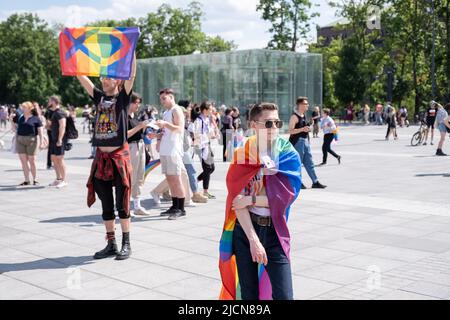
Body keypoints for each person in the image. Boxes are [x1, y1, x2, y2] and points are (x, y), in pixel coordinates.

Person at [219, 102, 302, 300]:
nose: (274, 128)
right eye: (268, 123)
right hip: (245, 230)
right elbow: (236, 202)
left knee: (284, 295)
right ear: (254, 125)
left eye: (277, 123)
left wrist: (251, 198)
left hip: (274, 231)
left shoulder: (287, 153)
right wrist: (253, 240)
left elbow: (284, 199)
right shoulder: (242, 154)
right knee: (249, 295)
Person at [77, 53, 136, 260]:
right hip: (101, 159)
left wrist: (131, 50)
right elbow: (81, 76)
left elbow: (131, 76)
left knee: (122, 204)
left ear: (117, 80)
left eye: (108, 77)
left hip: (119, 158)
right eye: (103, 77)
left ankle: (126, 243)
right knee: (107, 205)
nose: (104, 79)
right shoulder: (99, 97)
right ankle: (111, 243)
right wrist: (74, 56)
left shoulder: (122, 98)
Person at [151, 88, 186, 220]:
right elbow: (167, 132)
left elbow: (179, 129)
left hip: (173, 150)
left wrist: (165, 124)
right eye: (161, 99)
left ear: (171, 97)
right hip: (166, 149)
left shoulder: (176, 110)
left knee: (176, 180)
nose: (162, 101)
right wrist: (156, 134)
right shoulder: (166, 111)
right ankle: (175, 205)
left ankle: (181, 208)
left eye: (164, 98)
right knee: (170, 179)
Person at [288, 96, 326, 189]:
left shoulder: (303, 115)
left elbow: (303, 129)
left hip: (305, 141)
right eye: (306, 104)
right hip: (297, 142)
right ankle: (299, 182)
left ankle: (315, 182)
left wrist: (309, 125)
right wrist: (302, 129)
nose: (308, 105)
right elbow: (290, 131)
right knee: (298, 163)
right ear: (300, 105)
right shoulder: (294, 116)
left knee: (309, 162)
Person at [127, 93, 151, 216]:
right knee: (130, 178)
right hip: (131, 148)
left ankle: (137, 206)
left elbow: (138, 132)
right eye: (136, 102)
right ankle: (126, 206)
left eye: (139, 102)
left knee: (140, 177)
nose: (138, 105)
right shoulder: (123, 116)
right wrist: (140, 126)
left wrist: (145, 129)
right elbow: (125, 135)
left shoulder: (135, 115)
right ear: (129, 102)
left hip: (140, 145)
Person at [13, 102, 46, 186]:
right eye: (22, 108)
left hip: (32, 141)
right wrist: (11, 121)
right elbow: (14, 129)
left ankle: (35, 179)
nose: (22, 109)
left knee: (32, 161)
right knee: (23, 161)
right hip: (20, 140)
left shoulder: (36, 118)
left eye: (24, 108)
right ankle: (27, 180)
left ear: (30, 109)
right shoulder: (20, 117)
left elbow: (40, 131)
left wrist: (42, 142)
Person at [193, 101, 217, 199]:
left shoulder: (206, 119)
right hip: (202, 147)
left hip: (207, 145)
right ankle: (205, 191)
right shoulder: (198, 120)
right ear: (205, 110)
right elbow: (196, 134)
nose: (212, 111)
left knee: (212, 168)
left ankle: (194, 181)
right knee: (207, 168)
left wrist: (212, 135)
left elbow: (208, 131)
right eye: (210, 109)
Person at [47, 96, 68, 188]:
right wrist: (48, 126)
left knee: (60, 159)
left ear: (54, 102)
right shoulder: (54, 113)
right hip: (53, 139)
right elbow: (53, 127)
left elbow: (62, 126)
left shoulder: (60, 112)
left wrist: (60, 139)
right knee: (54, 159)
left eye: (49, 101)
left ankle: (64, 180)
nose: (48, 102)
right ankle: (58, 179)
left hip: (59, 139)